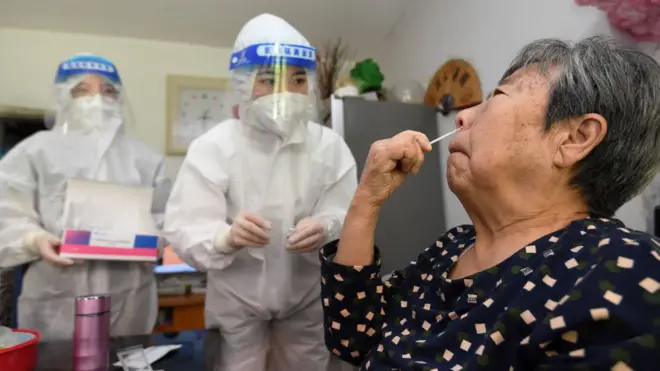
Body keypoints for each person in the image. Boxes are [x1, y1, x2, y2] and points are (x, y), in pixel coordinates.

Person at [320, 36, 660, 370]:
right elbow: (352, 338)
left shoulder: (625, 269)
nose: (462, 117)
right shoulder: (452, 247)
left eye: (497, 95)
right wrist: (367, 200)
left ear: (574, 139)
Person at [163, 13, 357, 371]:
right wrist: (224, 238)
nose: (285, 92)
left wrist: (327, 227)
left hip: (308, 299)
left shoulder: (329, 147)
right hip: (235, 302)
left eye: (298, 79)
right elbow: (184, 225)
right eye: (268, 80)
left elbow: (348, 215)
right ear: (243, 84)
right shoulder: (215, 147)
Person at [0, 53, 171, 340]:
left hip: (130, 293)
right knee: (56, 361)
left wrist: (155, 241)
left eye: (108, 91)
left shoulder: (144, 158)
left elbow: (165, 216)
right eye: (82, 90)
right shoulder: (35, 151)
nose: (97, 100)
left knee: (124, 358)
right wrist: (33, 239)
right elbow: (7, 209)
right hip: (56, 293)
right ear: (62, 97)